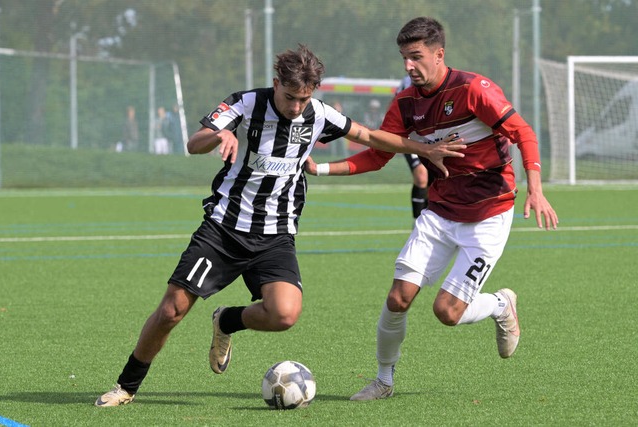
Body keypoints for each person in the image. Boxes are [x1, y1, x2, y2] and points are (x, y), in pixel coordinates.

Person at [94, 44, 465, 407]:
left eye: (304, 99)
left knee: (285, 314)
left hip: (276, 235)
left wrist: (423, 148)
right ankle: (126, 386)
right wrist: (219, 135)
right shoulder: (245, 104)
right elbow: (194, 143)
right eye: (290, 97)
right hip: (224, 228)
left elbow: (367, 136)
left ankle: (226, 320)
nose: (296, 107)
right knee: (172, 310)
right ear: (276, 84)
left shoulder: (318, 113)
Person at [305, 17, 559, 401]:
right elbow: (377, 154)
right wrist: (320, 168)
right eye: (404, 58)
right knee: (397, 298)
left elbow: (523, 133)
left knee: (447, 312)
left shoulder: (475, 89)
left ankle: (500, 304)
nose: (408, 66)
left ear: (439, 55)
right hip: (440, 212)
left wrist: (536, 190)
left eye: (416, 57)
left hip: (488, 214)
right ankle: (383, 381)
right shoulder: (406, 103)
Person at [397, 75, 430, 219]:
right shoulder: (406, 81)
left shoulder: (439, 80)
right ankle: (417, 221)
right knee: (421, 175)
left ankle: (431, 219)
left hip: (431, 136)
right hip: (410, 136)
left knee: (434, 180)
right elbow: (394, 103)